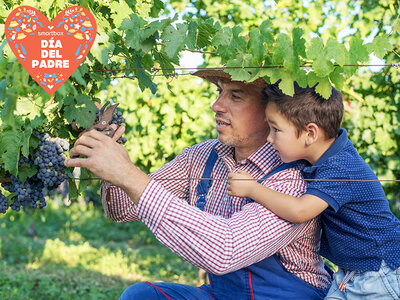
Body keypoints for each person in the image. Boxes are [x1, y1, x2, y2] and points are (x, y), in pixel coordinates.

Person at [64, 70, 332, 299]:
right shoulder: (202, 157)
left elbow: (225, 250)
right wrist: (108, 148)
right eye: (219, 92)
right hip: (223, 294)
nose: (217, 105)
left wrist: (127, 173)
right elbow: (123, 209)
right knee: (141, 296)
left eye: (235, 96)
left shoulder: (295, 174)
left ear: (271, 111)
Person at [227, 82, 400, 299]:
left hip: (380, 270)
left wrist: (252, 188)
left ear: (310, 133)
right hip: (352, 273)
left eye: (276, 129)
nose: (269, 138)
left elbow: (300, 211)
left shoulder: (341, 166)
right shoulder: (318, 158)